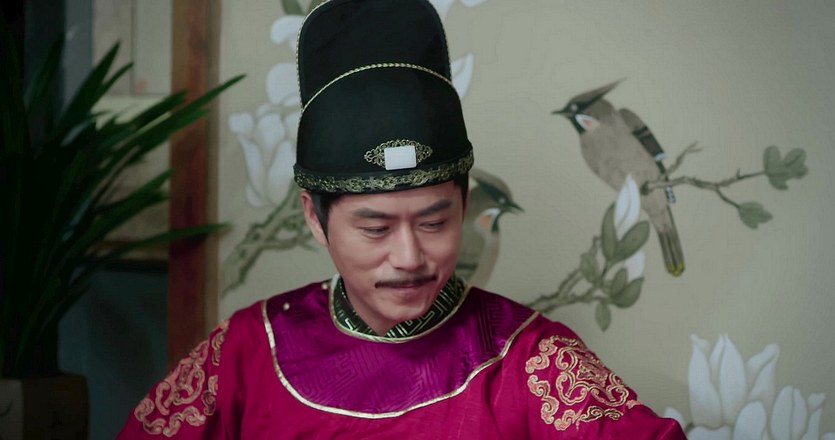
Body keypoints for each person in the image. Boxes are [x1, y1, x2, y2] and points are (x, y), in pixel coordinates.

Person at [118, 0, 687, 438]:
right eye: (375, 228)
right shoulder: (248, 350)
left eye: (435, 222)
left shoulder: (529, 358)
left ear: (464, 204)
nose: (410, 258)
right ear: (315, 217)